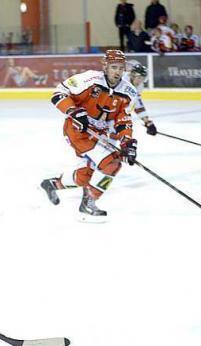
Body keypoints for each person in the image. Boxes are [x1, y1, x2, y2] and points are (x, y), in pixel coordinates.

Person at [39, 50, 139, 220]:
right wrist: (74, 111)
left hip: (100, 134)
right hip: (78, 131)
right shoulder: (89, 79)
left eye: (121, 68)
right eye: (114, 67)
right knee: (112, 163)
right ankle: (89, 203)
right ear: (105, 66)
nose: (117, 72)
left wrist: (127, 142)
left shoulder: (129, 91)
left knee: (86, 176)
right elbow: (58, 94)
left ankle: (53, 184)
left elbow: (123, 120)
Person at [125, 63, 156, 137]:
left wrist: (147, 122)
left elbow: (137, 104)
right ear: (132, 75)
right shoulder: (121, 80)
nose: (140, 81)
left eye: (143, 79)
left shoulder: (139, 86)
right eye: (139, 78)